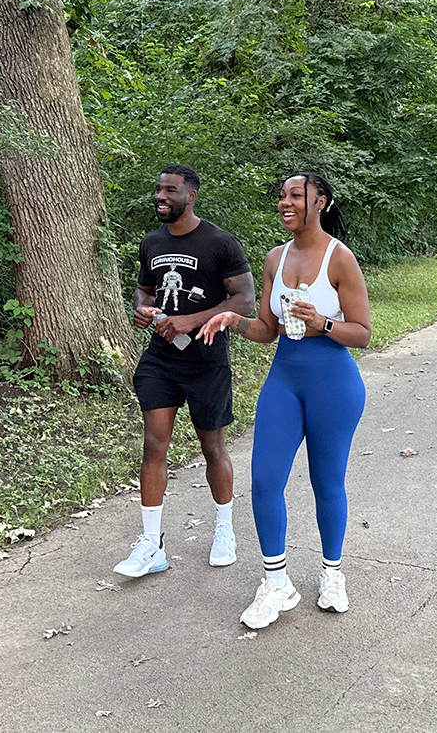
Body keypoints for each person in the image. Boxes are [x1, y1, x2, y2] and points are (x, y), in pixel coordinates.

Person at [198, 172, 370, 629]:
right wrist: (232, 319)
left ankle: (332, 573)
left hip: (334, 384)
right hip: (284, 380)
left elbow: (362, 333)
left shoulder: (340, 258)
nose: (285, 203)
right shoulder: (275, 258)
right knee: (264, 480)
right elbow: (267, 330)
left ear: (321, 202)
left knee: (326, 482)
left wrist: (323, 324)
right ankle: (276, 584)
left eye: (296, 195)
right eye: (282, 196)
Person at [114, 165, 256, 578]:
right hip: (161, 359)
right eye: (158, 189)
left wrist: (190, 321)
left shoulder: (219, 242)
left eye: (170, 191)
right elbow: (144, 289)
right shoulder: (152, 242)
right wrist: (143, 309)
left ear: (190, 196)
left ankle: (225, 530)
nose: (161, 196)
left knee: (213, 448)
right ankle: (152, 545)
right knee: (153, 446)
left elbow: (245, 300)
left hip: (207, 360)